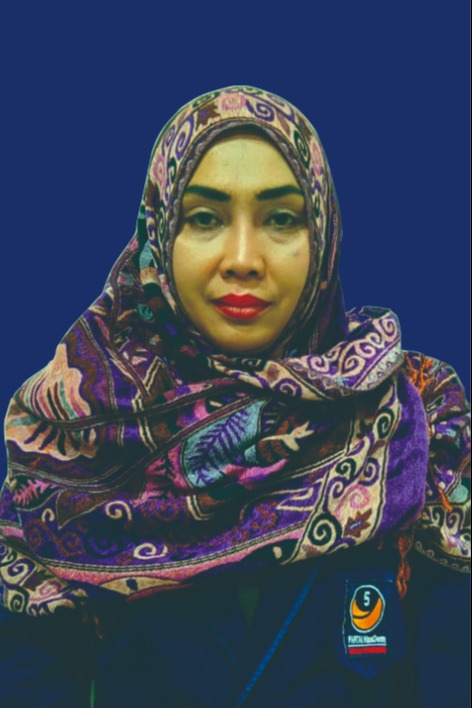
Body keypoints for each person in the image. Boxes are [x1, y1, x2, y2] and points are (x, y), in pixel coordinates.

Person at [0, 86, 469, 707]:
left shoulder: (418, 421)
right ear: (158, 237)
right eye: (204, 218)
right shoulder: (75, 445)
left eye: (281, 218)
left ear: (323, 236)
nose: (243, 259)